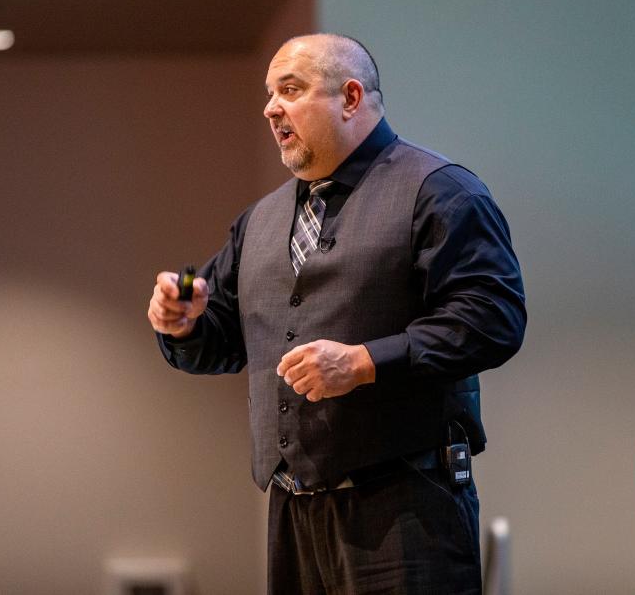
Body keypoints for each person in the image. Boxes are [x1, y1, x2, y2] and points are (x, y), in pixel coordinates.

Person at [147, 33, 526, 594]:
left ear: (351, 98)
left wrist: (366, 362)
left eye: (291, 89)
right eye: (270, 93)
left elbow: (491, 320)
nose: (271, 107)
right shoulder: (262, 219)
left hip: (405, 508)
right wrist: (184, 325)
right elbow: (225, 339)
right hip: (293, 510)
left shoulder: (440, 192)